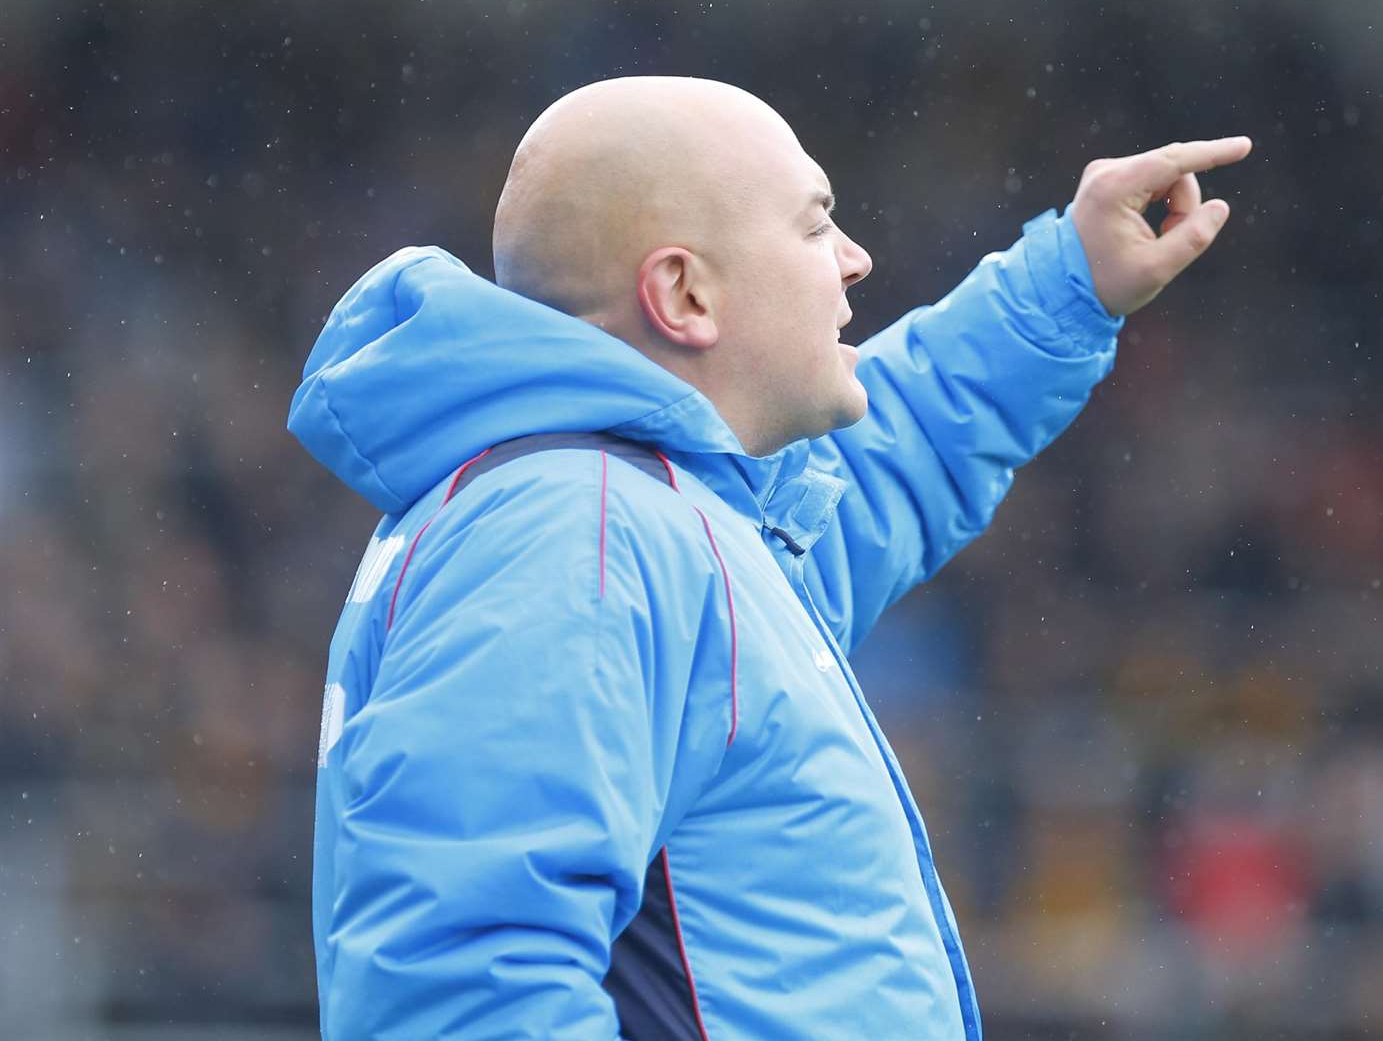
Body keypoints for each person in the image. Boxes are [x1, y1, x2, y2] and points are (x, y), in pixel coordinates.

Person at [289, 75, 1249, 1039]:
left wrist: (1066, 284)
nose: (855, 258)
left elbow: (888, 456)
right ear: (683, 292)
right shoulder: (575, 532)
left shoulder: (640, 514)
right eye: (814, 225)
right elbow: (466, 988)